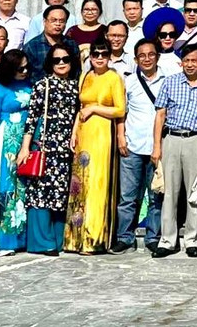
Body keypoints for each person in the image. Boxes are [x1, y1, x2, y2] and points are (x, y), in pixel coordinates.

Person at [152, 44, 197, 258]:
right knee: (169, 192)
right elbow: (160, 115)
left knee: (194, 193)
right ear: (181, 62)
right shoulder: (170, 83)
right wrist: (157, 146)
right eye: (186, 60)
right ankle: (168, 240)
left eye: (194, 60)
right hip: (172, 138)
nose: (190, 64)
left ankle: (193, 241)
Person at [16, 43, 78, 256]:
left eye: (65, 59)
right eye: (56, 60)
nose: (61, 63)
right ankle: (41, 242)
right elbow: (31, 118)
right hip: (45, 146)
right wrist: (25, 147)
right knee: (42, 193)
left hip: (65, 149)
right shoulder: (43, 85)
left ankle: (58, 239)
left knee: (60, 194)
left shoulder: (75, 85)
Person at [63, 39, 125, 253]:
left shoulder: (114, 78)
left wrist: (96, 108)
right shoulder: (85, 76)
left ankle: (94, 237)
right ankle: (75, 238)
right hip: (84, 133)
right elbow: (80, 107)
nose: (99, 57)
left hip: (101, 134)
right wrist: (74, 132)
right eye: (96, 54)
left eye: (104, 54)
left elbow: (120, 110)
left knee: (97, 184)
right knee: (80, 184)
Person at [0, 49, 32, 255]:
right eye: (20, 68)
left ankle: (18, 238)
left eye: (27, 67)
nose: (25, 71)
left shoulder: (30, 85)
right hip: (6, 139)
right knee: (5, 186)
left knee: (22, 188)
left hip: (25, 140)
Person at [114, 39, 163, 253]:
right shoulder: (129, 82)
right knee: (128, 196)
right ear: (135, 59)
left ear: (157, 56)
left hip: (157, 147)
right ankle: (125, 237)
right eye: (142, 55)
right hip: (132, 145)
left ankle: (153, 237)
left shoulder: (167, 81)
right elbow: (121, 113)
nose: (147, 58)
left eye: (151, 54)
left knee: (156, 196)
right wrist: (120, 136)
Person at [22, 5, 79, 78]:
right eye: (53, 20)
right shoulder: (32, 46)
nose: (58, 24)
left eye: (62, 21)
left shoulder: (71, 44)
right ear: (44, 21)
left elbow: (76, 71)